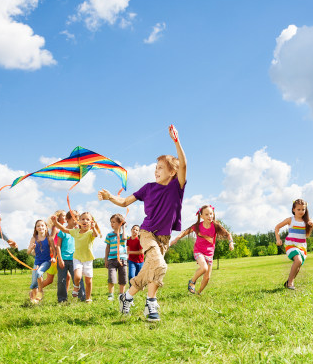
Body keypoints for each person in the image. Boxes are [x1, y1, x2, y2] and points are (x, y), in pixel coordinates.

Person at [98, 125, 186, 322]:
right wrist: (110, 197)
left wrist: (176, 142)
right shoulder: (148, 188)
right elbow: (124, 202)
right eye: (155, 168)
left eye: (161, 168)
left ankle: (126, 298)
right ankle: (151, 305)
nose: (156, 171)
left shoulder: (176, 187)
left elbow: (184, 166)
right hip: (147, 233)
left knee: (149, 271)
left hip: (164, 237)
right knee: (160, 265)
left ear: (173, 172)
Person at [170, 205, 233, 295]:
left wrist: (230, 242)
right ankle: (192, 282)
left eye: (211, 214)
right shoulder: (197, 226)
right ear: (201, 216)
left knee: (207, 277)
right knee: (204, 268)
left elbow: (228, 234)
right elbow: (185, 232)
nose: (209, 216)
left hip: (209, 254)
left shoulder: (215, 226)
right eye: (206, 214)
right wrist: (176, 239)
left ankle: (198, 293)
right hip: (199, 251)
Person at [52, 212, 100, 303]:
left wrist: (93, 227)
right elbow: (63, 230)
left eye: (87, 219)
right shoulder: (74, 232)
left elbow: (96, 235)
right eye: (82, 219)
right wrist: (55, 222)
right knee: (72, 278)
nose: (84, 221)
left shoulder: (88, 232)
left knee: (85, 280)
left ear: (91, 222)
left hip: (85, 259)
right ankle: (70, 292)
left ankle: (86, 298)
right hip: (74, 258)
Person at [274, 199, 313, 290]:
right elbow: (277, 227)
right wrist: (278, 239)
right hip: (291, 245)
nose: (301, 211)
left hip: (302, 247)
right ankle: (290, 283)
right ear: (293, 210)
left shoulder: (307, 221)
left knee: (298, 265)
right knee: (298, 260)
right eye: (298, 209)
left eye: (303, 209)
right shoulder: (290, 220)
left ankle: (288, 282)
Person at [55, 210, 86, 302]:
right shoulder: (62, 232)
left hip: (75, 260)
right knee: (61, 281)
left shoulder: (78, 232)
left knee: (78, 278)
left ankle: (82, 297)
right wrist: (60, 259)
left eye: (77, 219)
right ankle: (62, 299)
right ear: (67, 219)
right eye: (73, 219)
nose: (76, 221)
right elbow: (58, 246)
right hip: (63, 260)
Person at [26, 220, 56, 303]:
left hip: (47, 261)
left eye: (42, 225)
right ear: (36, 228)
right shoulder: (34, 238)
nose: (40, 227)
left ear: (46, 227)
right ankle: (34, 299)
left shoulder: (49, 238)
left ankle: (40, 292)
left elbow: (54, 250)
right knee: (33, 283)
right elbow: (28, 252)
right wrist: (31, 248)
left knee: (39, 273)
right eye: (38, 226)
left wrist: (53, 257)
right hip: (37, 262)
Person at [104, 214, 127, 301]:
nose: (112, 224)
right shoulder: (109, 235)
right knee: (111, 278)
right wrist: (106, 259)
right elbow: (107, 248)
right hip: (112, 259)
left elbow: (124, 238)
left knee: (123, 278)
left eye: (114, 222)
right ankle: (111, 295)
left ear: (120, 223)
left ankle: (121, 294)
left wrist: (123, 227)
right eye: (111, 222)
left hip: (122, 259)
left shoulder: (124, 234)